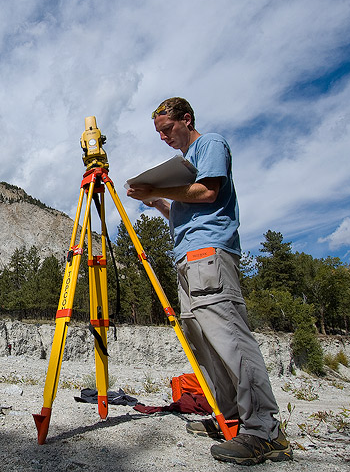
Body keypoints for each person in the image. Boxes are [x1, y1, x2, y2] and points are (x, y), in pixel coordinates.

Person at [126, 97, 292, 465]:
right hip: (188, 259)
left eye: (167, 129)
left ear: (186, 119)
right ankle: (231, 418)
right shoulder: (185, 167)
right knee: (205, 344)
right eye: (159, 133)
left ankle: (265, 430)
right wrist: (159, 204)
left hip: (209, 256)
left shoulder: (209, 144)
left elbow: (209, 192)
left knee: (230, 340)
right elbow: (188, 210)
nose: (164, 137)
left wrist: (156, 190)